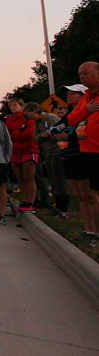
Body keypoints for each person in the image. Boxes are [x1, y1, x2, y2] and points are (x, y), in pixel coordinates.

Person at [58, 83, 99, 237]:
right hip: (68, 156)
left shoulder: (91, 111)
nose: (69, 96)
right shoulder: (71, 114)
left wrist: (67, 136)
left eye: (73, 93)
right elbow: (55, 130)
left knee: (90, 195)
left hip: (83, 155)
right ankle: (88, 229)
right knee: (80, 196)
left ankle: (96, 231)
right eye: (68, 94)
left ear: (83, 97)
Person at [67, 62, 99, 241]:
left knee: (93, 196)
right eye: (80, 74)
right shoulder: (87, 97)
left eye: (86, 73)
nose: (82, 76)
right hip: (87, 151)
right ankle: (91, 231)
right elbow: (72, 119)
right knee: (87, 194)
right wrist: (86, 110)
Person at [26, 101, 70, 218]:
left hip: (57, 151)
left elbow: (60, 135)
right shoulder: (37, 122)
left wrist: (47, 135)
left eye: (30, 114)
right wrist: (42, 135)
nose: (29, 117)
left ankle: (63, 209)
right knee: (53, 180)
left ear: (36, 110)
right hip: (48, 152)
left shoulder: (51, 118)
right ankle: (57, 207)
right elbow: (36, 138)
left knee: (60, 180)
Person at [6, 98, 39, 212]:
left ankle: (31, 202)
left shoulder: (28, 118)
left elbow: (29, 134)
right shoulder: (10, 119)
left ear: (22, 106)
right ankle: (25, 200)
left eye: (15, 105)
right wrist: (18, 133)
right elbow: (8, 134)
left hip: (28, 150)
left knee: (29, 178)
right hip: (15, 151)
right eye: (11, 105)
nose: (13, 107)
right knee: (20, 178)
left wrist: (15, 133)